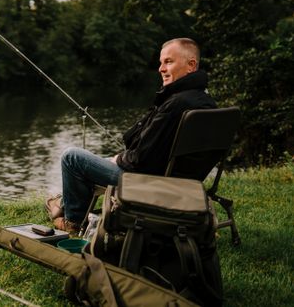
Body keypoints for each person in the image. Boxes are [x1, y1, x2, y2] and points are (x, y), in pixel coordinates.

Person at [46, 38, 217, 234]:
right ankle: (63, 203)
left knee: (72, 157)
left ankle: (72, 221)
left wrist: (119, 158)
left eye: (168, 62)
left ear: (191, 65)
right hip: (183, 184)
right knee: (91, 162)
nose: (161, 68)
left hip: (151, 184)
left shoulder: (175, 105)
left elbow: (140, 160)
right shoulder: (206, 102)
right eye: (161, 62)